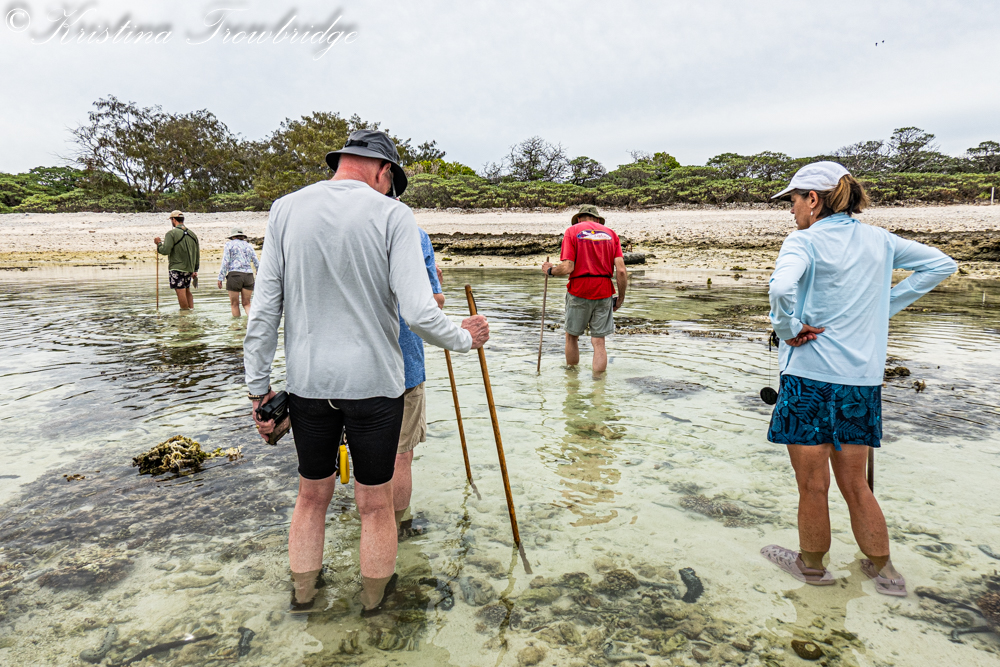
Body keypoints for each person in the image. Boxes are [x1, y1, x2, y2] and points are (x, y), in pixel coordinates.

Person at [244, 129, 490, 615]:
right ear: (383, 171)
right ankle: (375, 610)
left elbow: (264, 311)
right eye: (391, 182)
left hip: (309, 385)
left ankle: (303, 600)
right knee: (375, 506)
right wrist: (464, 337)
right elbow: (419, 312)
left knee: (310, 498)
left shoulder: (285, 210)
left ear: (343, 161)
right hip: (376, 386)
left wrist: (258, 390)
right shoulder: (394, 215)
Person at [761, 161, 956, 597]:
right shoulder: (881, 240)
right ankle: (886, 574)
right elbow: (941, 264)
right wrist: (884, 305)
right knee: (856, 484)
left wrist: (788, 329)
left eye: (793, 200)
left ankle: (813, 570)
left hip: (809, 380)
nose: (791, 210)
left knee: (813, 485)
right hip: (861, 383)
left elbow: (780, 289)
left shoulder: (803, 241)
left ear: (813, 199)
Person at [394, 227, 444, 538]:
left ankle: (370, 521)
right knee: (401, 454)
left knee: (367, 455)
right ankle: (398, 528)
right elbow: (431, 306)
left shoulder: (336, 224)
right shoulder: (412, 232)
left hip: (343, 368)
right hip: (403, 364)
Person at [541, 205, 628, 375]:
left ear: (579, 219)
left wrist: (550, 270)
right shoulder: (611, 234)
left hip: (579, 290)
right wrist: (620, 298)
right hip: (604, 291)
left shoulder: (572, 231)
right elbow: (622, 271)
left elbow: (568, 267)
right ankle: (599, 385)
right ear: (598, 220)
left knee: (572, 336)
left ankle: (572, 380)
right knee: (599, 342)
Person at [154, 210, 200, 310]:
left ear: (173, 220)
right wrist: (195, 269)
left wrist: (158, 244)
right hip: (189, 268)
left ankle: (184, 313)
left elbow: (165, 250)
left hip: (176, 268)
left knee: (180, 291)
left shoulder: (171, 234)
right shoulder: (192, 234)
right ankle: (191, 311)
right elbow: (197, 254)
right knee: (187, 290)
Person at [216, 227, 260, 317]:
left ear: (233, 236)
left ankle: (236, 325)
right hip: (248, 276)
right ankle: (253, 322)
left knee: (234, 304)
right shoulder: (248, 245)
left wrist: (221, 277)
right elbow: (256, 261)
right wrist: (259, 272)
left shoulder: (229, 245)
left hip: (234, 275)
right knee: (247, 304)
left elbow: (225, 262)